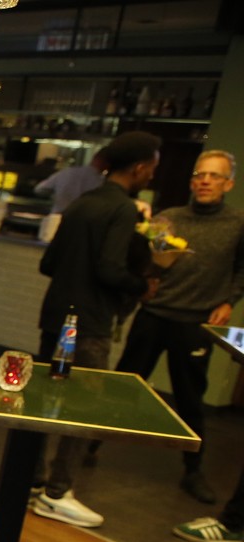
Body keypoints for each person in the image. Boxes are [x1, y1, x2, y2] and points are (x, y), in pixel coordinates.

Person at [31, 131, 161, 529]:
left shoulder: (82, 202)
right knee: (85, 406)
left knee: (44, 401)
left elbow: (48, 264)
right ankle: (57, 492)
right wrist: (142, 285)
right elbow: (109, 269)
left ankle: (32, 479)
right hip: (89, 323)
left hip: (56, 316)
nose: (151, 176)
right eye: (151, 169)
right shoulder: (122, 209)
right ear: (140, 168)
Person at [111, 150, 243, 505]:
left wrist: (229, 301)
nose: (205, 181)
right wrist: (147, 274)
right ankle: (86, 448)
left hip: (194, 323)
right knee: (123, 383)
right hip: (154, 315)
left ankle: (193, 471)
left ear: (228, 184)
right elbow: (144, 260)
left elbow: (241, 269)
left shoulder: (238, 223)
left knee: (190, 399)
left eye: (214, 176)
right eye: (199, 174)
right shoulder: (168, 219)